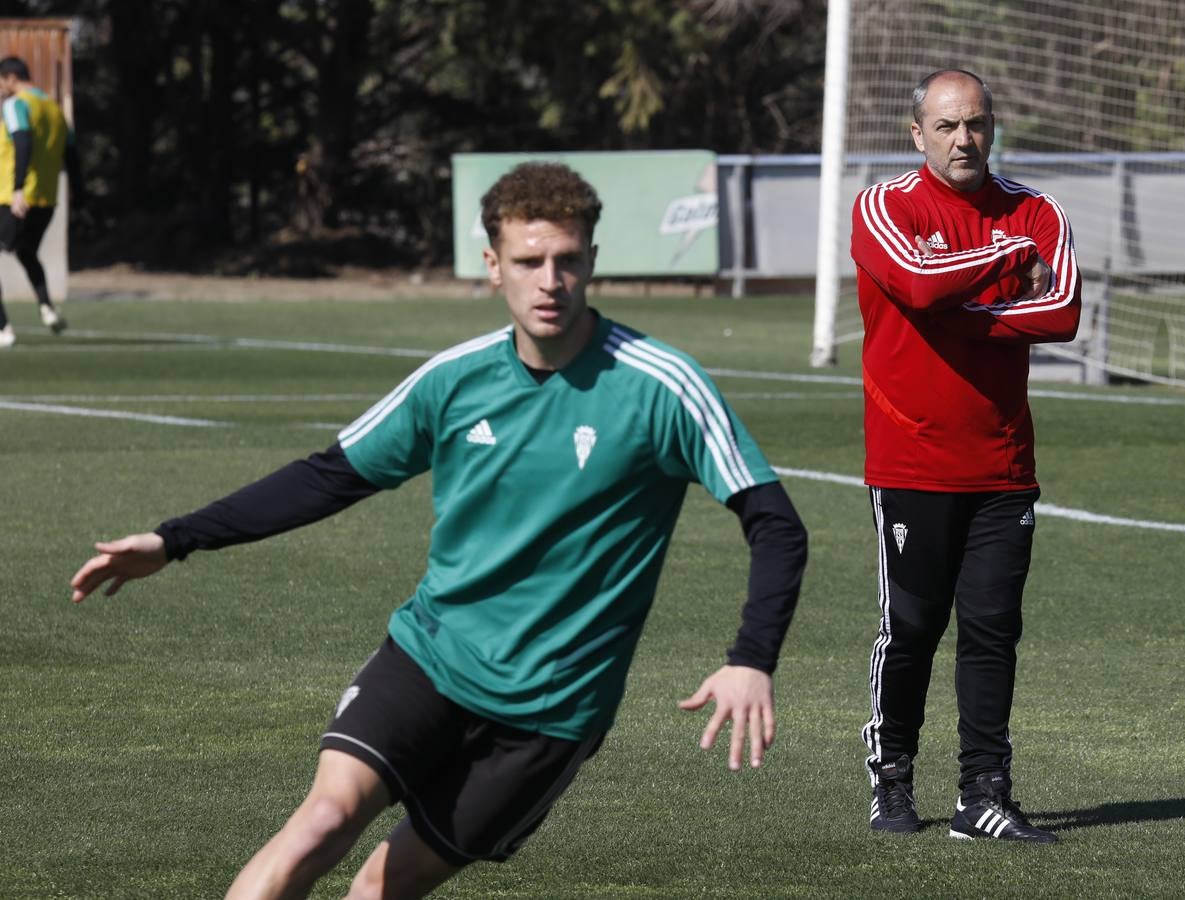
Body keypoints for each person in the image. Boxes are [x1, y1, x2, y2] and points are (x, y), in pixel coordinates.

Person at [70, 161, 807, 898]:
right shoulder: (453, 380)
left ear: (592, 264)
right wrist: (174, 539)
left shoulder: (660, 385)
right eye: (527, 262)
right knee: (321, 821)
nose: (549, 280)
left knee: (376, 890)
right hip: (430, 661)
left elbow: (773, 522)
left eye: (567, 261)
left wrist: (751, 659)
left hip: (554, 708)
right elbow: (331, 476)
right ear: (493, 267)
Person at [849, 69, 1081, 843]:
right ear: (917, 134)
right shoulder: (884, 206)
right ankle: (890, 782)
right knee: (910, 627)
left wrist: (957, 309)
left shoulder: (1035, 210)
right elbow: (914, 283)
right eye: (946, 126)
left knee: (991, 631)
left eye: (975, 124)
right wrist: (1007, 269)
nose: (963, 140)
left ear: (992, 128)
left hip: (1003, 465)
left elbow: (1063, 312)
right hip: (911, 460)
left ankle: (982, 795)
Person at [0, 56, 77, 349]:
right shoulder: (55, 110)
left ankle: (3, 328)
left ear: (10, 78)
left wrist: (18, 188)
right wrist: (77, 193)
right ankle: (47, 308)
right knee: (26, 252)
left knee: (21, 251)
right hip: (47, 198)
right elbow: (72, 154)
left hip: (13, 197)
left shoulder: (17, 104)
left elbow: (23, 141)